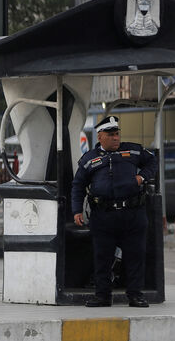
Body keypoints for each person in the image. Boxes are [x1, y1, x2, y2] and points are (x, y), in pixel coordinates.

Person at [71, 115, 156, 308]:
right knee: (102, 257)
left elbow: (152, 162)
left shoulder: (133, 150)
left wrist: (142, 178)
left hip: (132, 214)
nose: (116, 138)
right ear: (100, 136)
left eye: (117, 134)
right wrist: (77, 210)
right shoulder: (89, 159)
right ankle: (102, 296)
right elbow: (78, 185)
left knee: (135, 256)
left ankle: (135, 296)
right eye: (111, 135)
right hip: (103, 216)